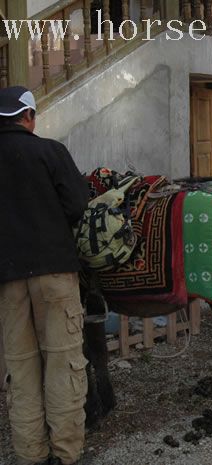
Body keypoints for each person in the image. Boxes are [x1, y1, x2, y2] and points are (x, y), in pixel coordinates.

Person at [0, 86, 89, 465]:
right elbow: (78, 204)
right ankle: (66, 456)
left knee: (20, 368)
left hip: (6, 278)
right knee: (63, 362)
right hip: (54, 273)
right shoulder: (50, 151)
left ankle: (29, 456)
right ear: (30, 117)